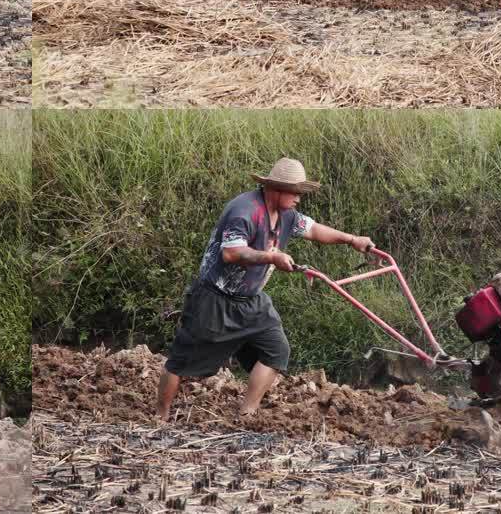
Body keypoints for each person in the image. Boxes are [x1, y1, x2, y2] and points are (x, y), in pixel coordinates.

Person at [155, 158, 377, 422]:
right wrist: (271, 257)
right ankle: (160, 416)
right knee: (180, 362)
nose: (298, 198)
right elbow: (232, 253)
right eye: (294, 192)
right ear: (276, 189)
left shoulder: (286, 215)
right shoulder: (245, 211)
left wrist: (352, 240)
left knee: (277, 351)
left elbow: (315, 230)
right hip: (215, 298)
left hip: (251, 300)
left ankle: (247, 413)